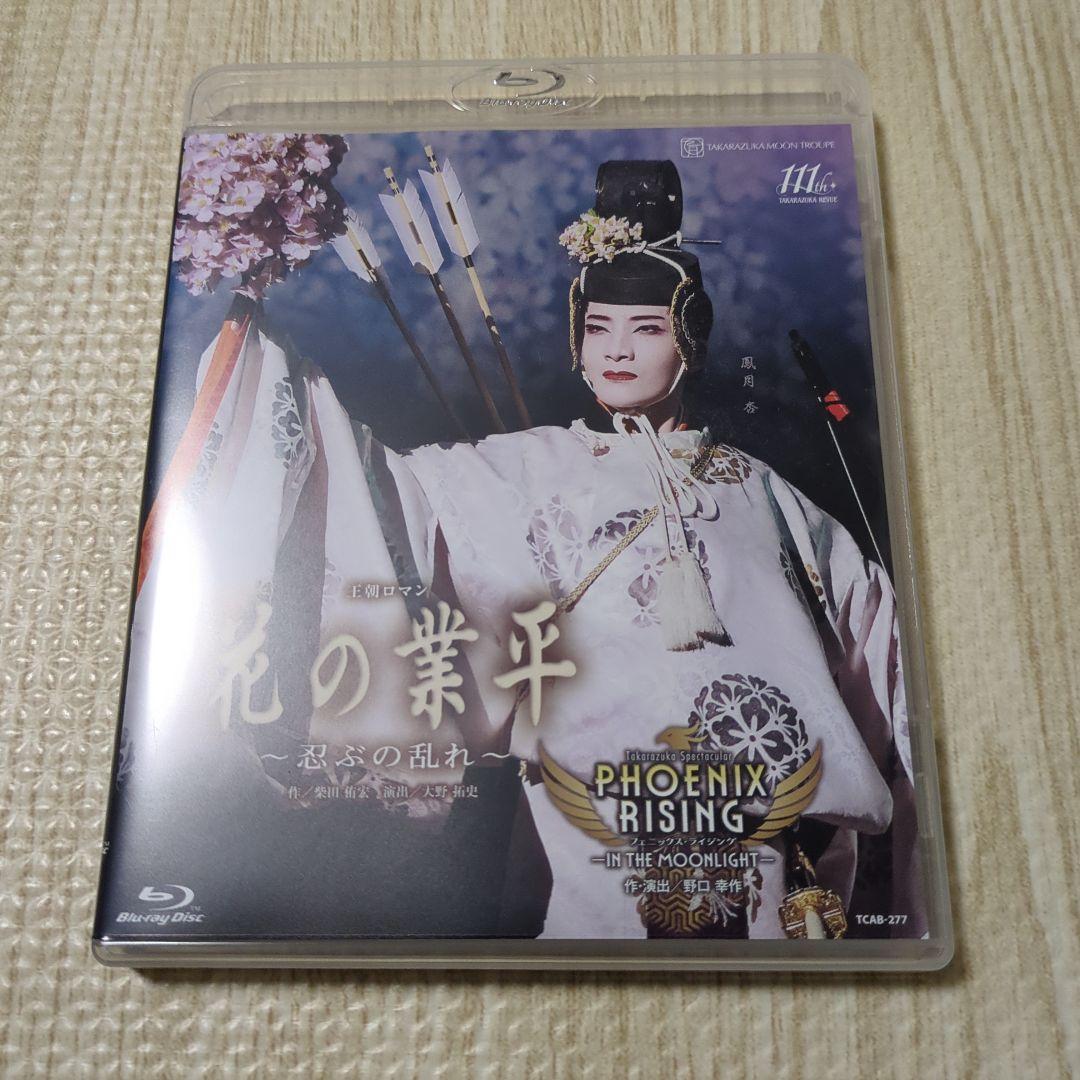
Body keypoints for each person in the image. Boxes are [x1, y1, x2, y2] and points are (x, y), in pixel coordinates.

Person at [137, 160, 921, 941]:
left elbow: (882, 659)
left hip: (774, 860)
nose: (617, 351)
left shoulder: (768, 495)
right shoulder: (523, 470)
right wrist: (264, 349)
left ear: (690, 338)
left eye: (647, 329)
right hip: (596, 838)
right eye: (597, 328)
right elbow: (375, 493)